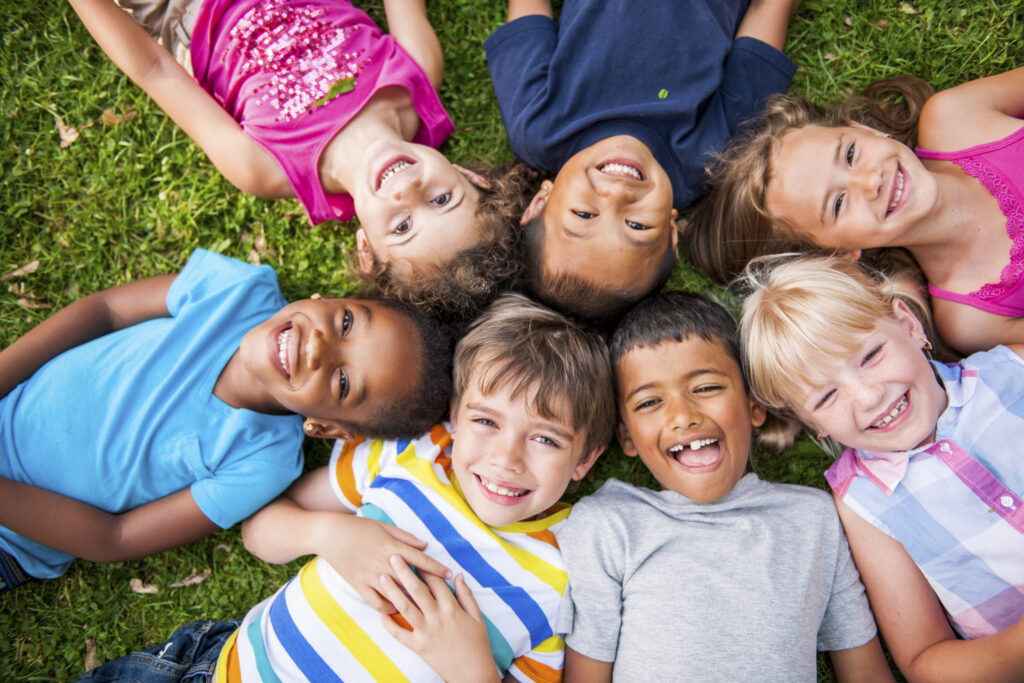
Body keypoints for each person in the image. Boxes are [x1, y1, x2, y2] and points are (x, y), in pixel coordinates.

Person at [76, 292, 616, 683]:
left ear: (584, 460)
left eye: (546, 439)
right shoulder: (414, 455)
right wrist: (332, 536)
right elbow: (259, 526)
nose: (506, 458)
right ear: (453, 416)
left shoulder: (562, 579)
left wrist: (471, 669)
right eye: (486, 422)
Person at [0, 248, 452, 595]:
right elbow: (105, 311)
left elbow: (115, 539)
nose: (318, 347)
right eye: (347, 322)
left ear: (329, 427)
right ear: (327, 299)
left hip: (13, 538)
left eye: (342, 382)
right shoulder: (239, 291)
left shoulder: (263, 464)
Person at [68, 0, 532, 319]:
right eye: (442, 198)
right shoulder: (417, 73)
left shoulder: (265, 168)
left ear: (366, 250)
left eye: (402, 227)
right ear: (471, 176)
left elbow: (156, 71)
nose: (406, 191)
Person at [555, 290, 891, 681]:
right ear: (626, 436)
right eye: (649, 403)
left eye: (706, 388)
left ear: (754, 405)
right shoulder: (606, 525)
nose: (682, 416)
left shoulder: (815, 520)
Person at [738, 254, 1024, 682]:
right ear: (812, 425)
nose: (868, 397)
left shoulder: (1013, 371)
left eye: (870, 355)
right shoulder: (863, 502)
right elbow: (925, 660)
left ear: (909, 325)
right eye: (825, 397)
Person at [484, 0, 799, 323]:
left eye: (583, 214)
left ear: (540, 202)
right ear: (671, 233)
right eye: (637, 225)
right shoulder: (711, 155)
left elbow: (527, 11)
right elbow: (768, 15)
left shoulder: (537, 126)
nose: (617, 195)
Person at [688, 67, 1024, 354]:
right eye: (837, 204)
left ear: (865, 130)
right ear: (841, 252)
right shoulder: (970, 319)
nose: (870, 182)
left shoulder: (956, 117)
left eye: (850, 154)